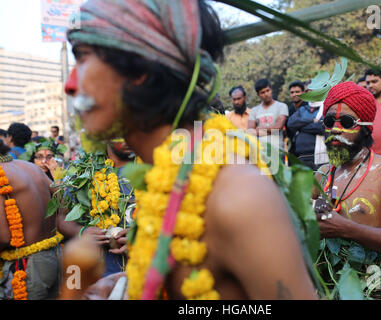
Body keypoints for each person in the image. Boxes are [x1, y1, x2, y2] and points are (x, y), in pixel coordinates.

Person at [63, 0, 316, 300]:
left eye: (81, 58)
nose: (70, 85)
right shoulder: (164, 177)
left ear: (139, 70)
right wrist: (126, 284)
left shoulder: (237, 197)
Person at [313, 81, 381, 260]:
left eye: (347, 122)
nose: (335, 129)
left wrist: (345, 229)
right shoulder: (323, 174)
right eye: (329, 121)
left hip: (375, 283)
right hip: (326, 284)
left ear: (366, 128)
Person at [57, 139, 135, 278]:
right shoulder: (83, 171)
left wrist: (142, 237)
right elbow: (62, 218)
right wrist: (81, 232)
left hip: (148, 273)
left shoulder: (155, 170)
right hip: (100, 276)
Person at [0, 139, 63, 300]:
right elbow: (62, 202)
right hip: (55, 256)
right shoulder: (30, 167)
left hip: (27, 267)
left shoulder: (3, 173)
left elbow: (4, 236)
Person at [248, 78, 289, 152]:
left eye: (268, 90)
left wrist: (259, 129)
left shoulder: (282, 106)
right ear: (258, 94)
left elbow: (278, 127)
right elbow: (250, 132)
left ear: (271, 90)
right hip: (260, 152)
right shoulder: (254, 110)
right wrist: (270, 130)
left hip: (278, 151)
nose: (266, 94)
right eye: (262, 92)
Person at [287, 99, 325, 170]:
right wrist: (311, 120)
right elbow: (291, 123)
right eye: (308, 90)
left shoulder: (326, 107)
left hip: (320, 156)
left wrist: (300, 128)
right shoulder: (303, 109)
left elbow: (321, 127)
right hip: (302, 156)